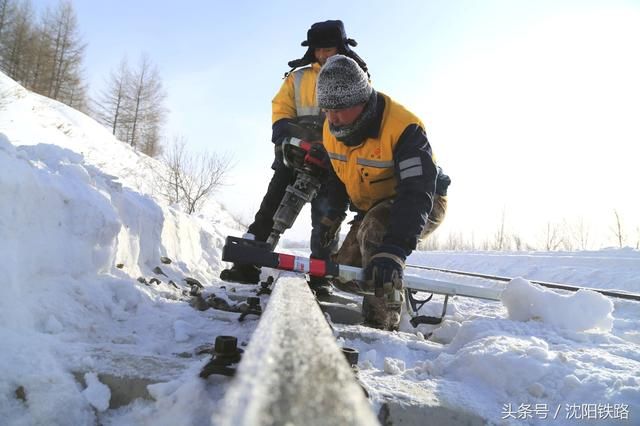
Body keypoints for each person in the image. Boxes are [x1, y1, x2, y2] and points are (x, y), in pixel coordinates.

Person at [220, 21, 369, 296]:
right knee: (272, 206)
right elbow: (281, 111)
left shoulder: (356, 76)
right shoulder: (297, 77)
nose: (324, 55)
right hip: (296, 150)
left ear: (342, 47)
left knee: (327, 214)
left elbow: (362, 116)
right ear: (312, 50)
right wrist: (290, 135)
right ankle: (249, 260)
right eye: (319, 49)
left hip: (335, 158)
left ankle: (321, 271)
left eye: (330, 49)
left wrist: (334, 144)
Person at [315, 55, 450, 330]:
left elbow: (416, 191)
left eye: (339, 109)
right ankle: (384, 280)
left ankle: (383, 323)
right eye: (326, 109)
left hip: (424, 200)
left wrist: (395, 249)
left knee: (378, 236)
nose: (332, 118)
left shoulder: (403, 128)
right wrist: (332, 216)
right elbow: (337, 177)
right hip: (374, 205)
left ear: (361, 100)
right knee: (346, 271)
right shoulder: (331, 130)